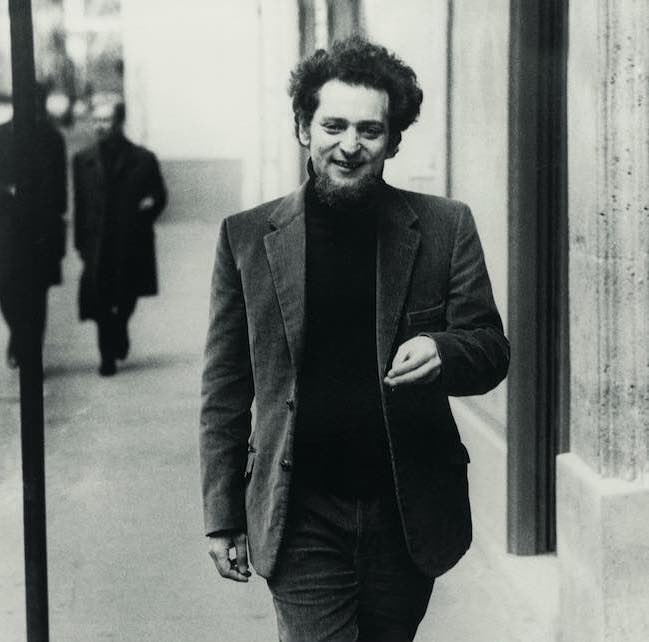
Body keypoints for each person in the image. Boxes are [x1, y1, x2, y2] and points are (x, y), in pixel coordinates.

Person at [200, 37, 510, 642]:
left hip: (405, 509)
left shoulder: (445, 226)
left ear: (393, 141)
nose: (350, 145)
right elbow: (225, 389)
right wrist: (221, 514)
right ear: (303, 128)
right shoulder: (246, 238)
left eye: (370, 130)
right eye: (333, 125)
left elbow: (491, 350)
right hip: (299, 512)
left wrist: (444, 350)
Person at [73, 100, 167, 376]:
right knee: (100, 298)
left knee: (128, 294)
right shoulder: (83, 160)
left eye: (106, 120)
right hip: (97, 242)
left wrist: (144, 213)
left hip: (130, 240)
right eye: (96, 120)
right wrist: (81, 243)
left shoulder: (143, 159)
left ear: (119, 123)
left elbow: (159, 196)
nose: (100, 126)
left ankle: (121, 324)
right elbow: (80, 205)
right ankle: (107, 357)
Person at [0, 84, 67, 369]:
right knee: (5, 288)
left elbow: (59, 188)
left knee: (37, 294)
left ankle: (31, 352)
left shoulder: (51, 138)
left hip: (41, 230)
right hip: (5, 229)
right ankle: (18, 334)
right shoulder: (1, 135)